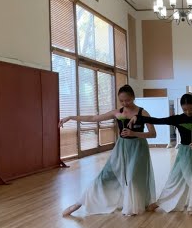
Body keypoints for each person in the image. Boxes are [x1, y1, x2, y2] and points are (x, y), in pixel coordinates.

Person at [60, 84, 157, 217]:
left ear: (133, 97)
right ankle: (79, 203)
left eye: (127, 100)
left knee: (133, 177)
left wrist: (134, 133)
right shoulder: (117, 112)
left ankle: (137, 204)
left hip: (138, 148)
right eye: (122, 101)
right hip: (121, 148)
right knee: (105, 175)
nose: (125, 103)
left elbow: (153, 134)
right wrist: (71, 117)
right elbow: (93, 118)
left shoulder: (143, 113)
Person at [128, 93, 192, 215]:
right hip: (184, 152)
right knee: (176, 179)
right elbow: (158, 120)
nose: (188, 112)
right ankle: (162, 202)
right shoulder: (178, 118)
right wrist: (139, 117)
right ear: (181, 107)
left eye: (190, 109)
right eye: (185, 109)